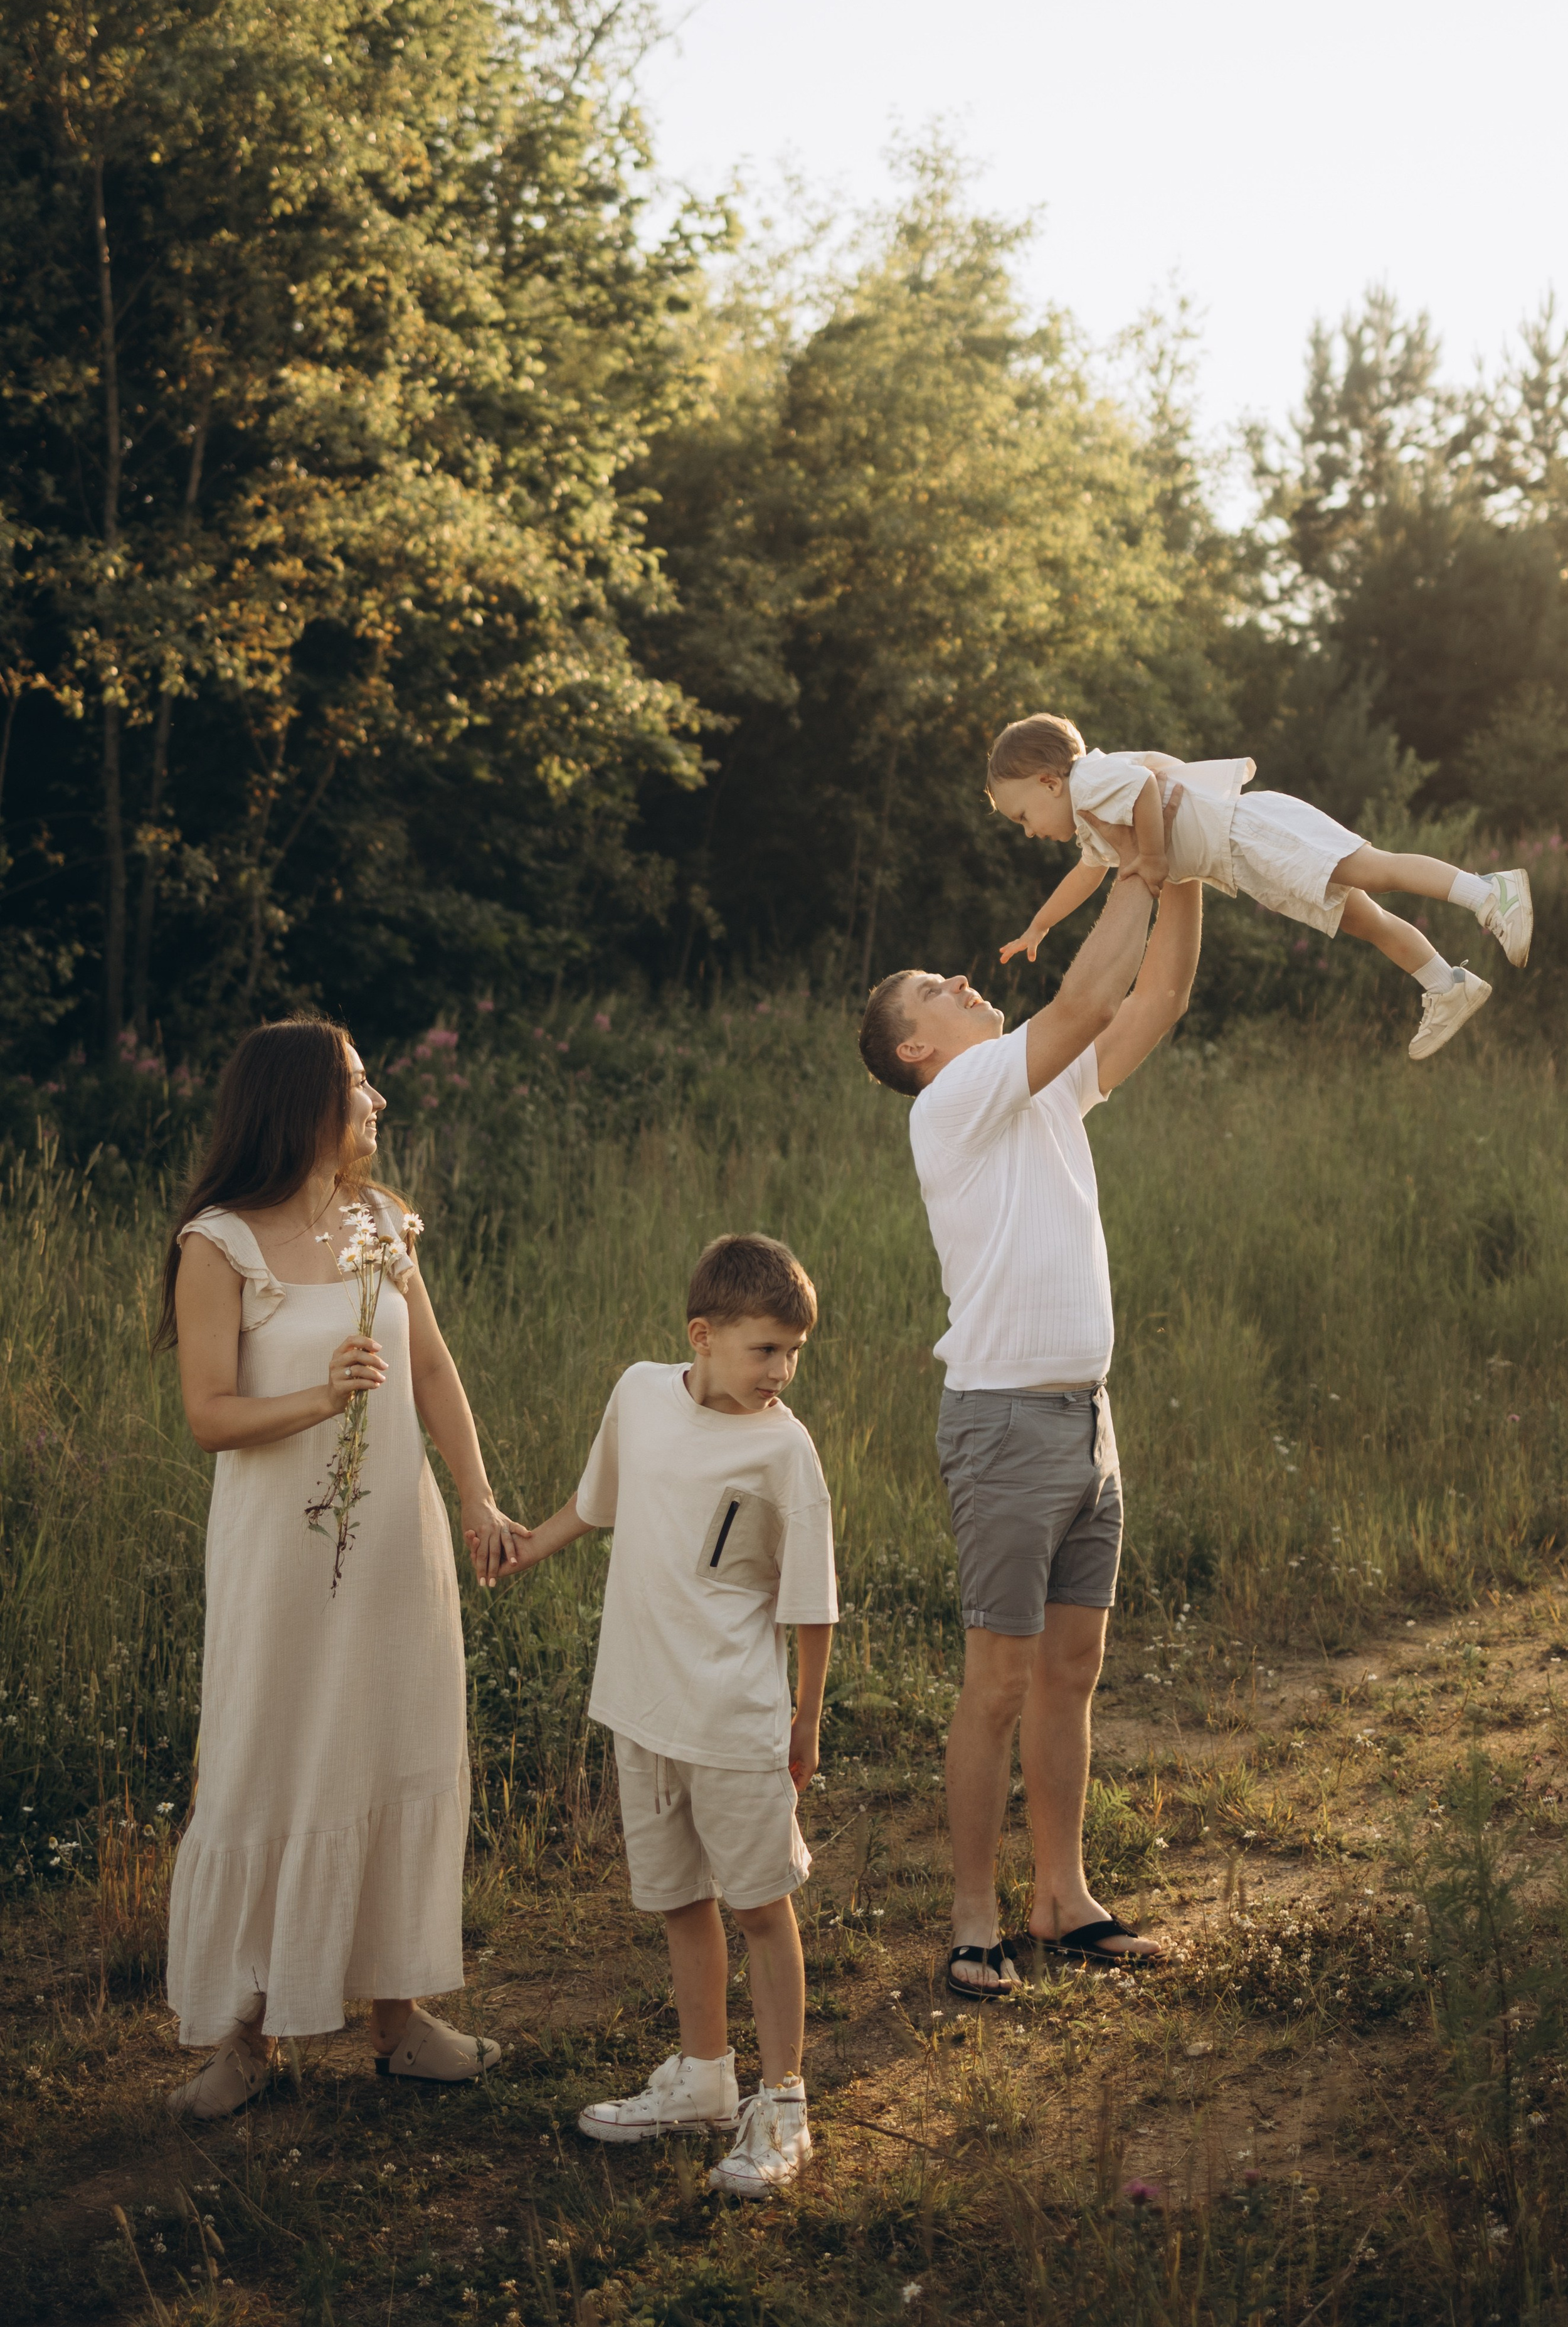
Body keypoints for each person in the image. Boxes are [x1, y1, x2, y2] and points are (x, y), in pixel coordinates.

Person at [156, 1013, 528, 2119]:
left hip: (392, 1540)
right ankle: (244, 2036)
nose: (378, 1103)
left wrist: (476, 1495)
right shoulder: (218, 1242)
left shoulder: (382, 1223)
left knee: (392, 1740)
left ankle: (401, 2020)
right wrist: (323, 1394)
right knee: (274, 1750)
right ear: (302, 1103)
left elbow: (435, 1373)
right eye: (360, 1086)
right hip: (281, 1551)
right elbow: (209, 1416)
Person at [858, 867, 1200, 1998]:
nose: (960, 980)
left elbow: (1153, 1004)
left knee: (1073, 1670)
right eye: (932, 990)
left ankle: (1063, 1899)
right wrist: (1134, 860)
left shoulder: (1039, 1089)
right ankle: (971, 1920)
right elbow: (1093, 992)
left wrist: (1181, 875)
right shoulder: (950, 1103)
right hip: (1003, 1425)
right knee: (997, 1684)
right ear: (917, 1050)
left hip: (1088, 1417)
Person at [501, 1234, 836, 2197]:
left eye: (793, 1354)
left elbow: (810, 1605)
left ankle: (782, 2104)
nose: (782, 1372)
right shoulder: (640, 1394)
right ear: (703, 1335)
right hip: (641, 1708)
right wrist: (530, 1547)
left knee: (760, 1907)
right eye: (765, 1349)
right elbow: (596, 1503)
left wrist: (803, 1722)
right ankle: (702, 2079)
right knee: (682, 1903)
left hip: (736, 1722)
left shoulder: (786, 1448)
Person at [988, 712, 1532, 1061]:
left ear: (1049, 782)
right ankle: (1446, 984)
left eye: (1022, 816)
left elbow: (1147, 785)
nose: (1030, 830)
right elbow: (1086, 874)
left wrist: (1151, 859)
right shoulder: (1091, 821)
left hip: (1250, 831)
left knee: (1376, 871)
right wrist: (1040, 926)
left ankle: (1488, 893)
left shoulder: (1090, 781)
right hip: (1245, 864)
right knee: (1365, 920)